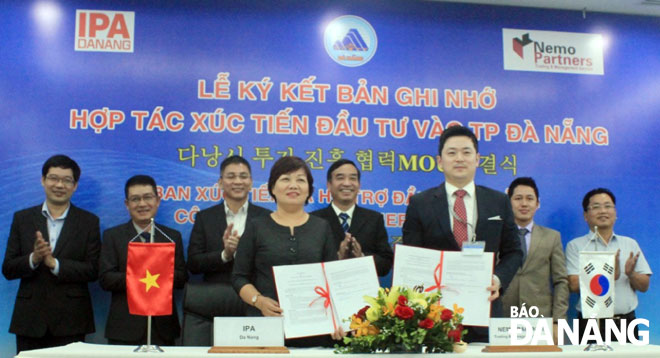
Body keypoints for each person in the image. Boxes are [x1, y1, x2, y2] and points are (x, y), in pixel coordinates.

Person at [402, 125, 522, 342]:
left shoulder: (498, 202)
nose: (459, 158)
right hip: (435, 316)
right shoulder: (420, 203)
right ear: (440, 161)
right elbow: (411, 258)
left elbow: (514, 251)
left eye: (466, 152)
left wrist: (498, 279)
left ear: (477, 159)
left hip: (485, 308)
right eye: (452, 153)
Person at [231, 156, 343, 346]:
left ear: (309, 189)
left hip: (315, 329)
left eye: (300, 180)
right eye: (285, 179)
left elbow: (333, 280)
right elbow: (239, 277)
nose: (293, 185)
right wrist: (259, 301)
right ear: (272, 188)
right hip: (266, 330)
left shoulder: (322, 228)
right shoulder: (256, 227)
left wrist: (337, 319)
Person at [2, 155, 101, 354]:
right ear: (43, 180)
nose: (59, 185)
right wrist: (34, 258)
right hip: (30, 320)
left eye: (66, 180)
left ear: (75, 186)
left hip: (72, 319)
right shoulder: (23, 219)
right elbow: (8, 269)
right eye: (53, 178)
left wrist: (55, 263)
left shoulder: (89, 222)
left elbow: (93, 270)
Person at [99, 175, 188, 346]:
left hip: (162, 327)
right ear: (127, 204)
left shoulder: (171, 237)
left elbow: (182, 278)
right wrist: (142, 277)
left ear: (158, 201)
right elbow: (105, 279)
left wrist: (156, 276)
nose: (142, 204)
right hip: (124, 327)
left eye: (147, 197)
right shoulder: (113, 236)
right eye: (135, 199)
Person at [565, 188, 651, 342]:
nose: (603, 211)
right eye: (596, 207)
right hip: (590, 324)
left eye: (608, 206)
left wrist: (631, 274)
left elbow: (644, 286)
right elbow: (573, 285)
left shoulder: (630, 244)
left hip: (626, 323)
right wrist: (609, 274)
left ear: (615, 213)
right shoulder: (576, 246)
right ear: (586, 215)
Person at [501, 177, 568, 339]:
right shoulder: (497, 235)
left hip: (540, 321)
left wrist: (558, 321)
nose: (524, 204)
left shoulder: (552, 237)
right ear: (508, 203)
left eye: (530, 199)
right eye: (518, 198)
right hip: (501, 321)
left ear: (537, 204)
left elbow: (561, 281)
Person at [187, 155, 271, 283]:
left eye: (243, 176)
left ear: (251, 183)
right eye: (231, 176)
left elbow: (272, 262)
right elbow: (193, 264)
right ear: (220, 183)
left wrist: (242, 251)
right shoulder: (205, 218)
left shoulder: (266, 217)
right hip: (216, 296)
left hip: (256, 295)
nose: (237, 181)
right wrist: (225, 255)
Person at [311, 159, 393, 277]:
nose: (347, 183)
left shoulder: (374, 219)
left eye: (353, 178)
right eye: (340, 178)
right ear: (329, 185)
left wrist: (362, 257)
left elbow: (386, 264)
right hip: (326, 291)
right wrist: (338, 256)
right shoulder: (315, 220)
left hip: (364, 292)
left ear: (359, 185)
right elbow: (308, 264)